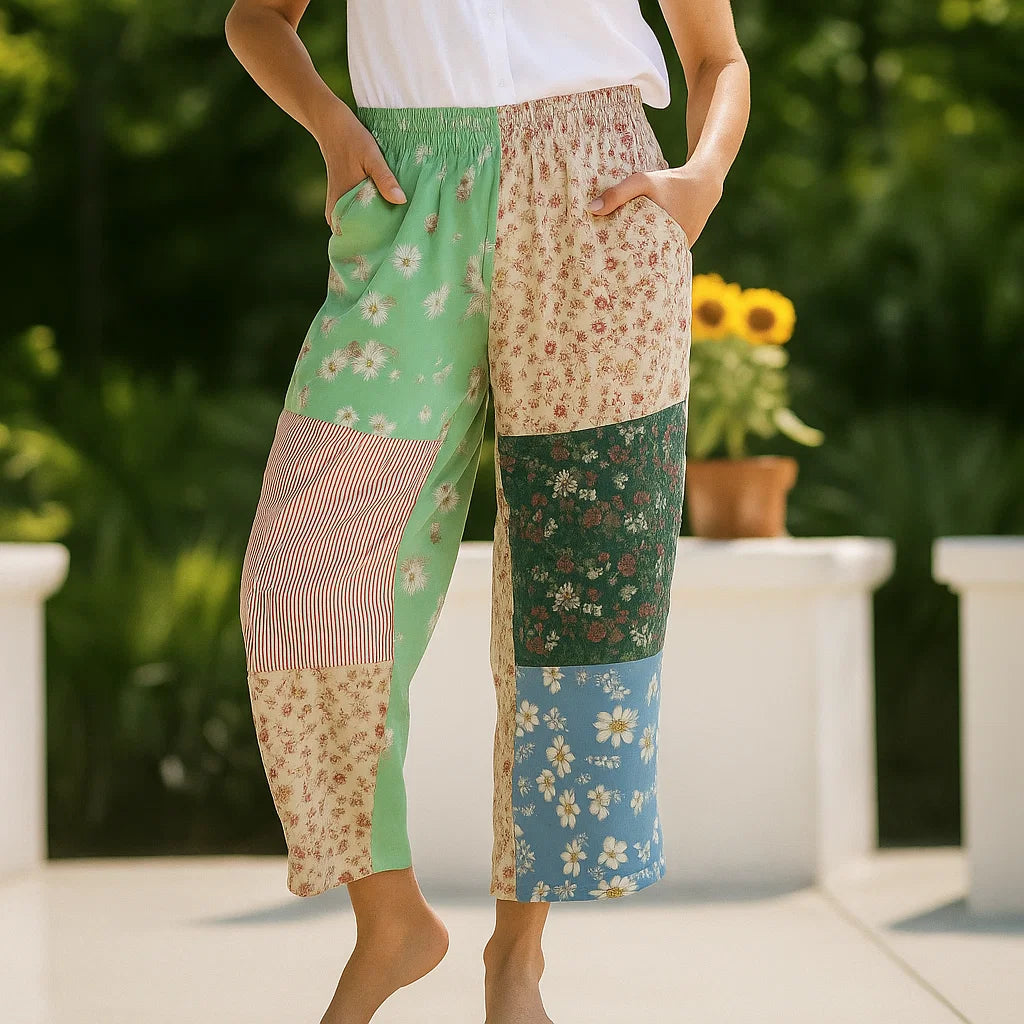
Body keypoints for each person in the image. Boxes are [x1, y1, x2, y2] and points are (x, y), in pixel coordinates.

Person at [225, 2, 749, 1021]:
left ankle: (518, 957)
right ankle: (391, 919)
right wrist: (334, 127)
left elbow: (715, 56)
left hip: (600, 193)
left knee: (579, 591)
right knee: (304, 571)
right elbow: (257, 20)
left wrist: (700, 179)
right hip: (411, 188)